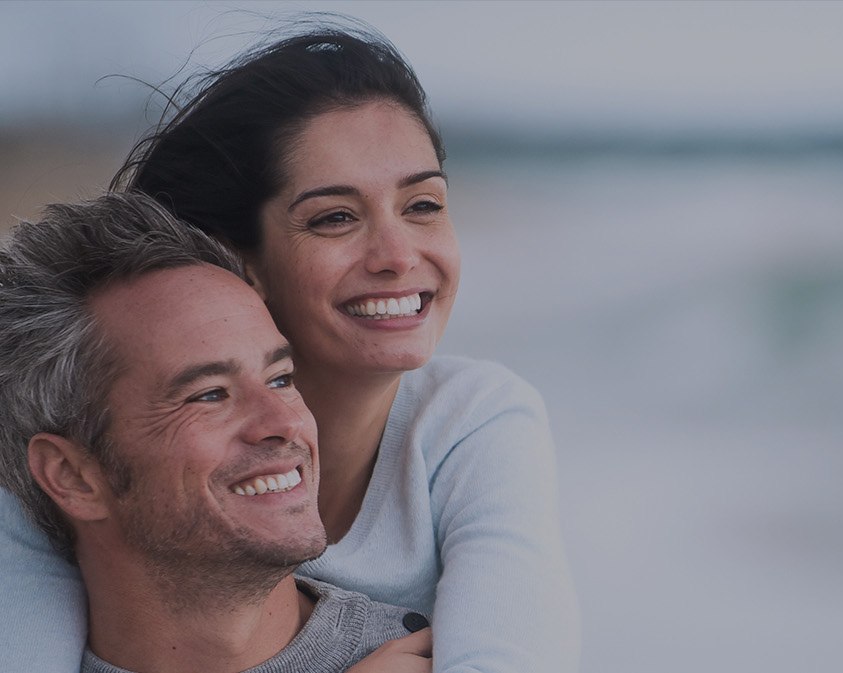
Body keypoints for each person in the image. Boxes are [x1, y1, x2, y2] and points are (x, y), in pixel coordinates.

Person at [0, 23, 579, 673]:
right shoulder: (63, 458)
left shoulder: (469, 421)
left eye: (423, 204)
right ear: (234, 261)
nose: (397, 256)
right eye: (335, 217)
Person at [0, 194, 433, 673]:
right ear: (73, 476)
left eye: (281, 379)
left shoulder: (450, 657)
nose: (284, 423)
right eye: (209, 395)